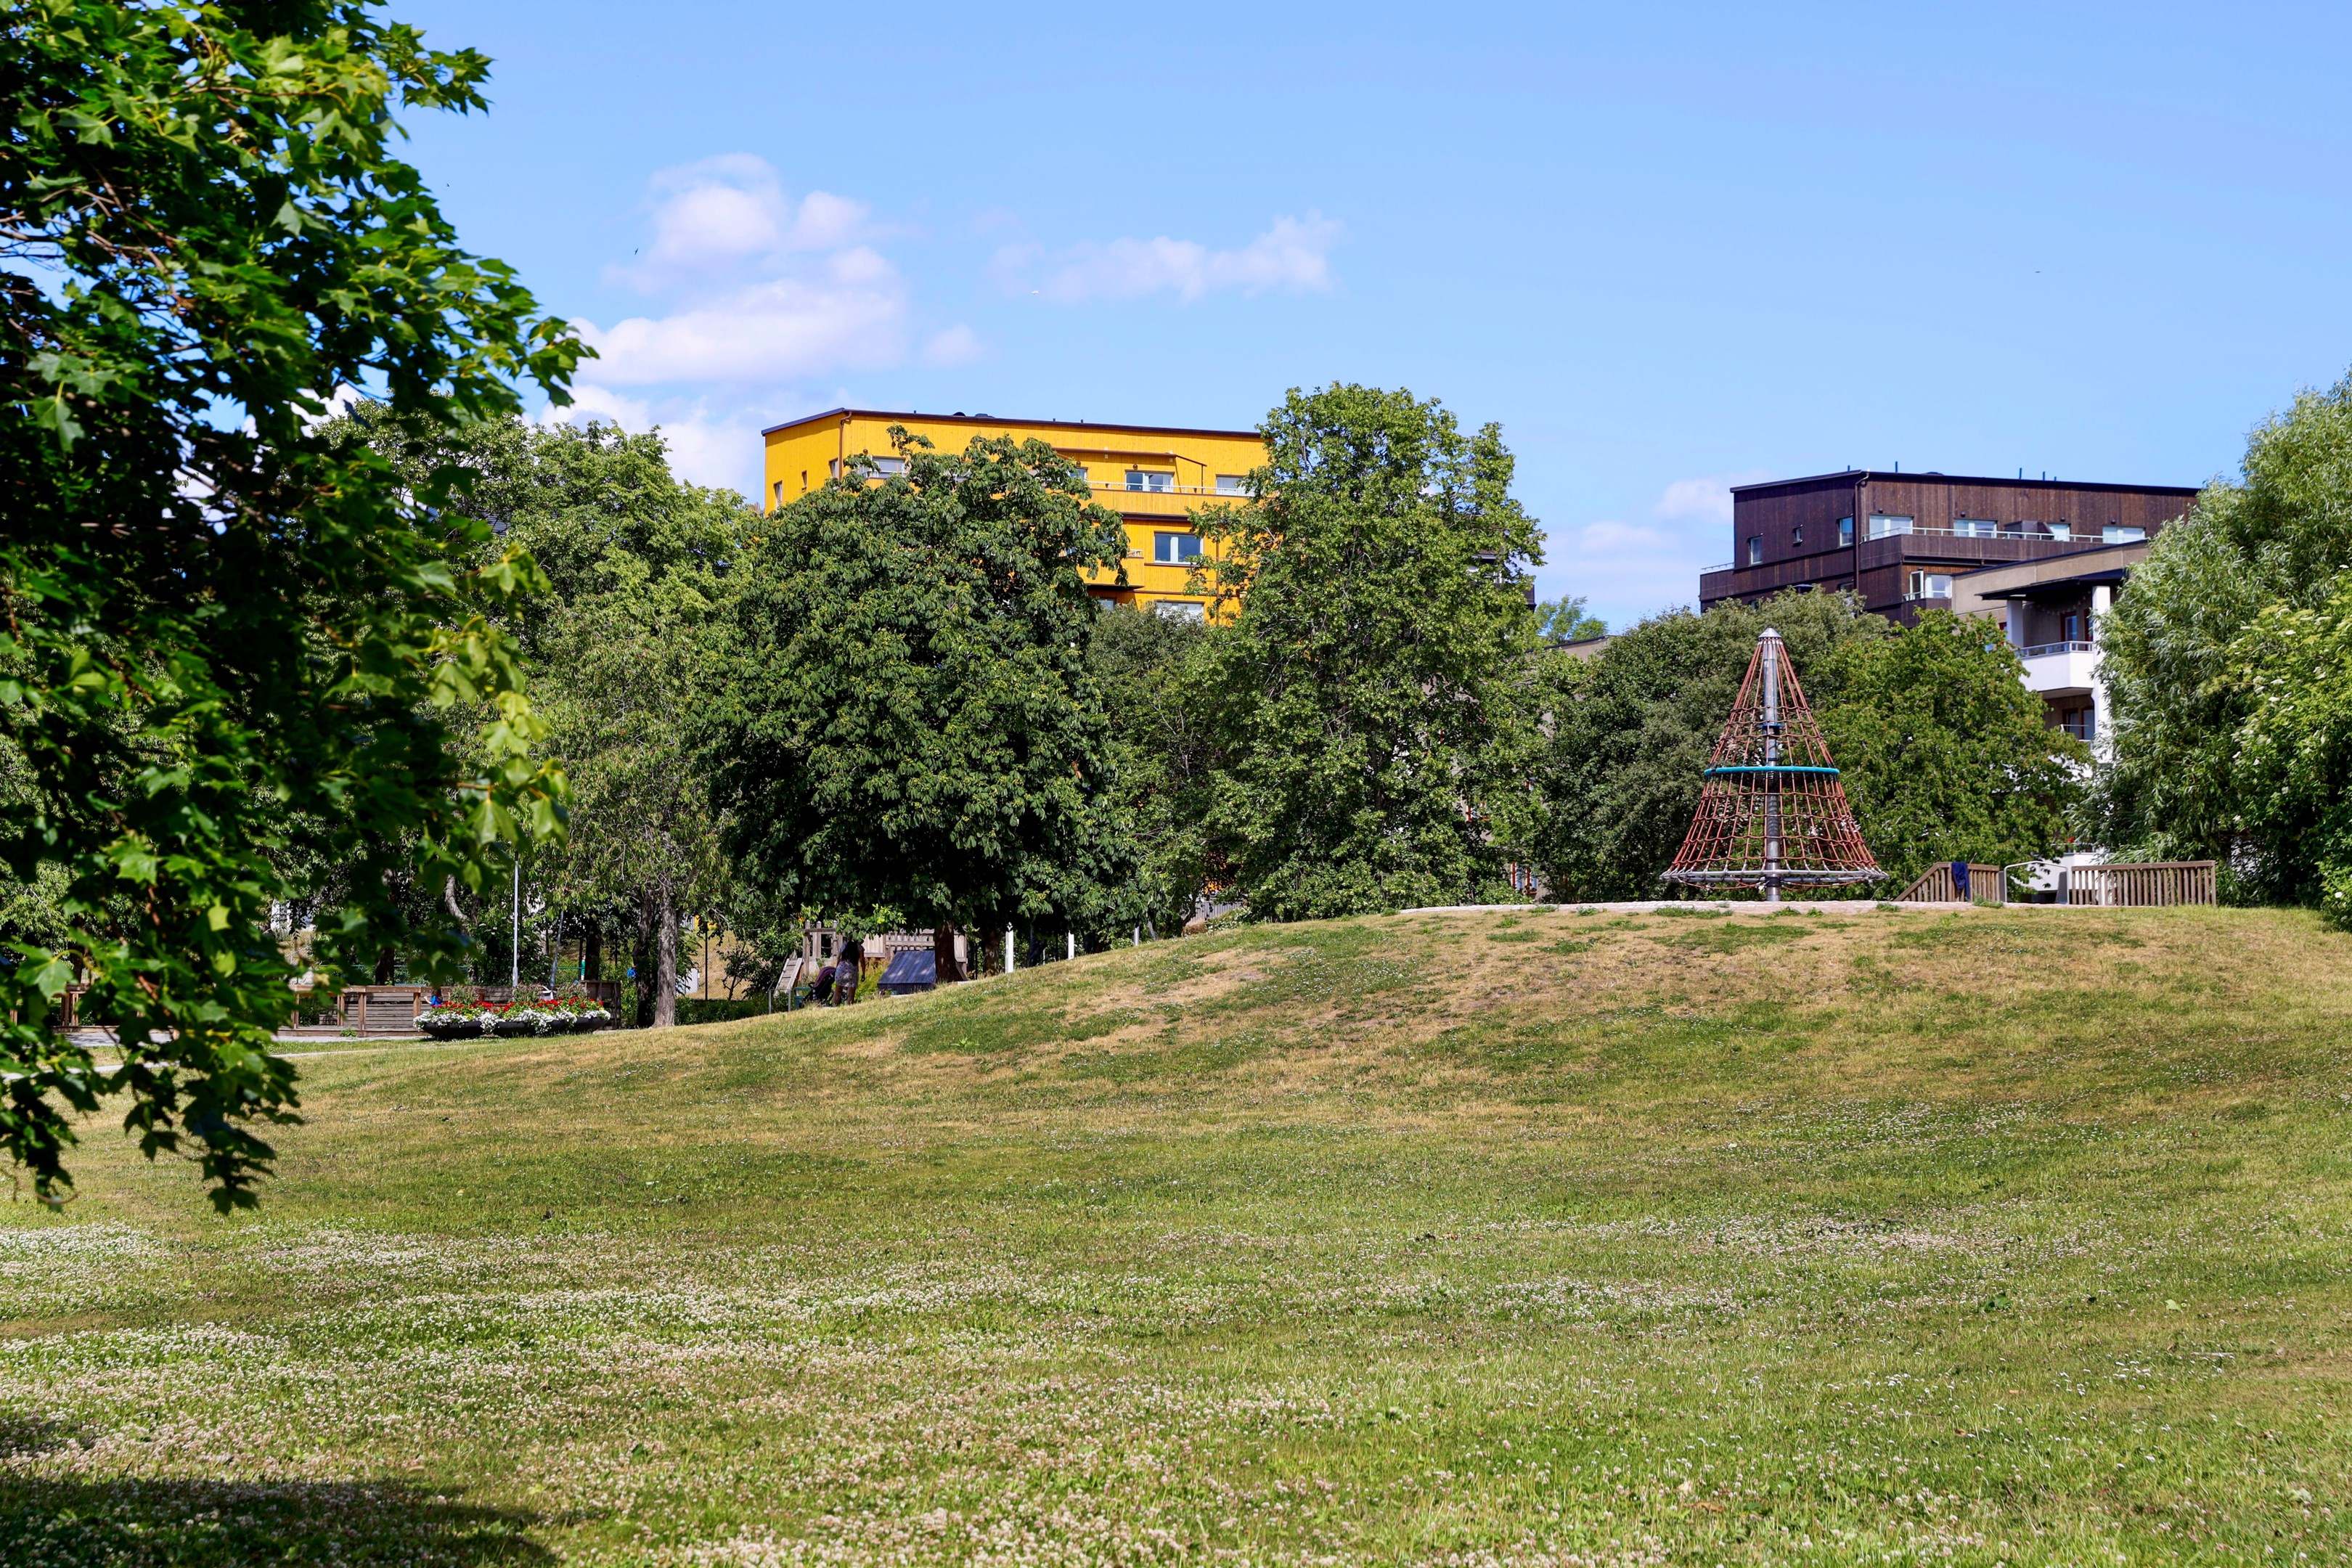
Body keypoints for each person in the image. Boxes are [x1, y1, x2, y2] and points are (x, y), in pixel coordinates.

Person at [833, 937, 863, 1005]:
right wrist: (863, 973)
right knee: (851, 994)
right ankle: (850, 1008)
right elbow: (862, 961)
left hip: (841, 970)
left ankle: (834, 1006)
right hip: (852, 972)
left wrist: (837, 968)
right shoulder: (859, 947)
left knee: (838, 991)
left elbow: (838, 958)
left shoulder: (845, 945)